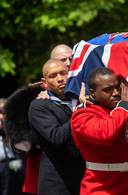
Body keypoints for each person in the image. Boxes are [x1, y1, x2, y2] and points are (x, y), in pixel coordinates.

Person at [71, 67, 128, 195]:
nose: (116, 93)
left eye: (118, 87)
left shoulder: (121, 110)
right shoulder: (82, 115)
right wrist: (124, 107)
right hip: (101, 188)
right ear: (93, 92)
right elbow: (106, 134)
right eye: (108, 90)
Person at [28, 59, 85, 195]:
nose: (60, 79)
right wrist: (82, 110)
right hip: (56, 181)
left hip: (85, 178)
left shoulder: (80, 99)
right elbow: (57, 137)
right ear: (44, 82)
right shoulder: (39, 105)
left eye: (63, 73)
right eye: (53, 76)